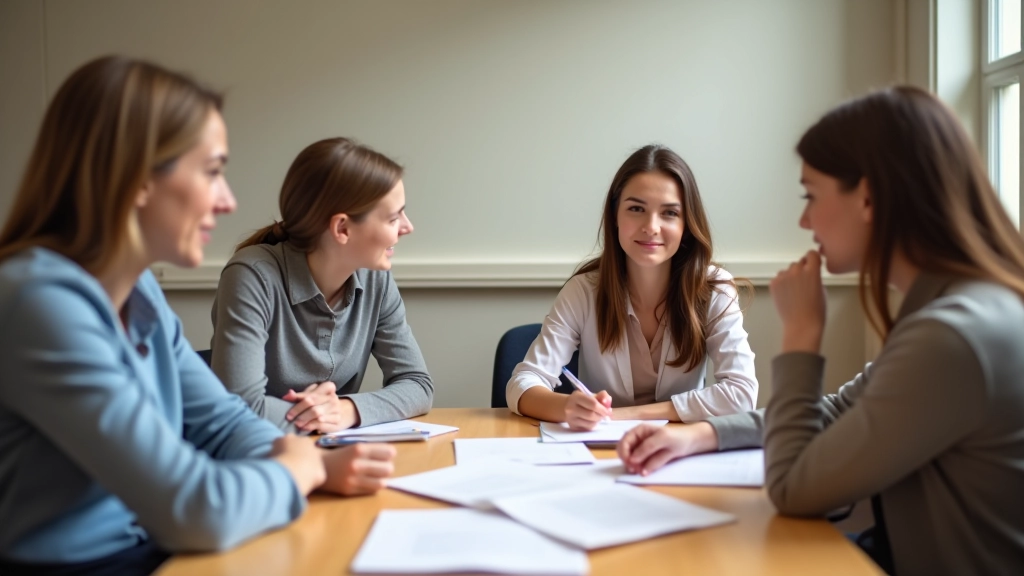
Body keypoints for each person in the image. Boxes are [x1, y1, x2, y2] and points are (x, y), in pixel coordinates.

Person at [0, 56, 395, 575]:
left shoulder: (135, 288)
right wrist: (299, 472)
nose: (228, 200)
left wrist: (311, 463)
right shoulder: (40, 303)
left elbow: (223, 423)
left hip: (151, 551)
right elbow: (195, 510)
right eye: (211, 172)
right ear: (136, 177)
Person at [619, 86, 1024, 575]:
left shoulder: (954, 338)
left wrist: (802, 337)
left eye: (811, 195)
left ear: (870, 198)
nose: (804, 219)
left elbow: (793, 488)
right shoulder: (958, 312)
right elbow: (838, 410)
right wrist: (700, 436)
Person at [507, 145, 758, 430]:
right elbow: (522, 385)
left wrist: (625, 416)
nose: (651, 227)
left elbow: (742, 393)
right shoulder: (583, 291)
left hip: (681, 451)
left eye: (669, 213)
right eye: (636, 209)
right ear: (615, 216)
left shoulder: (714, 289)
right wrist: (568, 407)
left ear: (686, 224)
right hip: (596, 453)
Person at [210, 137, 432, 434]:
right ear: (342, 228)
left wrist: (346, 410)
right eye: (393, 218)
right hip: (258, 459)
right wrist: (321, 415)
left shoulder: (376, 278)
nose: (407, 227)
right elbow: (239, 408)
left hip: (331, 454)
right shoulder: (251, 275)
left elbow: (418, 385)